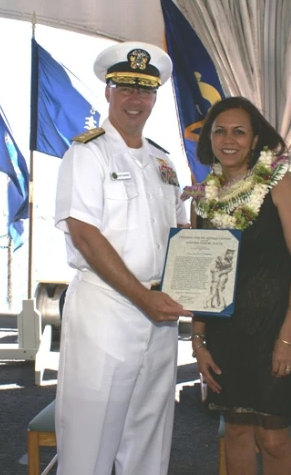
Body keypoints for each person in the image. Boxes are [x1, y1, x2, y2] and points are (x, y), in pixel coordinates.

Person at [54, 41, 190, 475]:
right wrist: (143, 298)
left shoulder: (164, 161)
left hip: (159, 310)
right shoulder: (86, 153)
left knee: (149, 437)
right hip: (107, 309)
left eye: (145, 90)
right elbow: (85, 235)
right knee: (90, 440)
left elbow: (179, 237)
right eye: (126, 88)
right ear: (108, 92)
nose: (136, 100)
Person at [182, 96, 291, 475]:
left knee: (273, 438)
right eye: (219, 130)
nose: (228, 139)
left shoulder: (277, 181)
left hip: (277, 328)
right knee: (237, 431)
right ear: (208, 138)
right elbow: (203, 278)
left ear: (255, 140)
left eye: (239, 131)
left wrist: (288, 335)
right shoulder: (202, 197)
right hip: (227, 332)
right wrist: (198, 340)